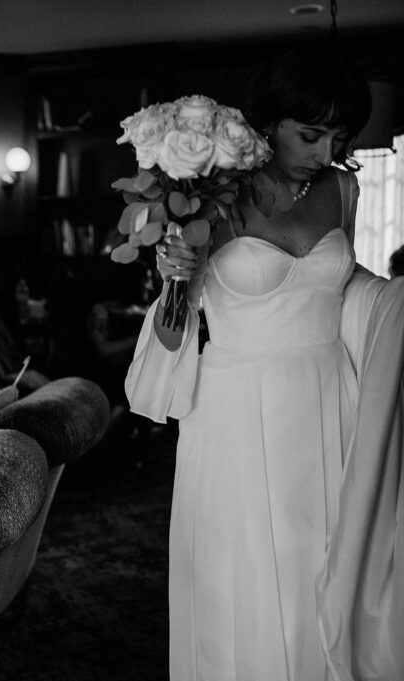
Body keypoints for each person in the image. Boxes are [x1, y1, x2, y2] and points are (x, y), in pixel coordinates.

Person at [125, 42, 404, 680]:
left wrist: (390, 305)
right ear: (269, 122)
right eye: (310, 134)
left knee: (325, 565)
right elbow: (175, 337)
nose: (325, 152)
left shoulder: (340, 188)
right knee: (243, 578)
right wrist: (172, 278)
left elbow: (340, 289)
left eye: (338, 136)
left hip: (330, 397)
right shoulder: (208, 198)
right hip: (235, 416)